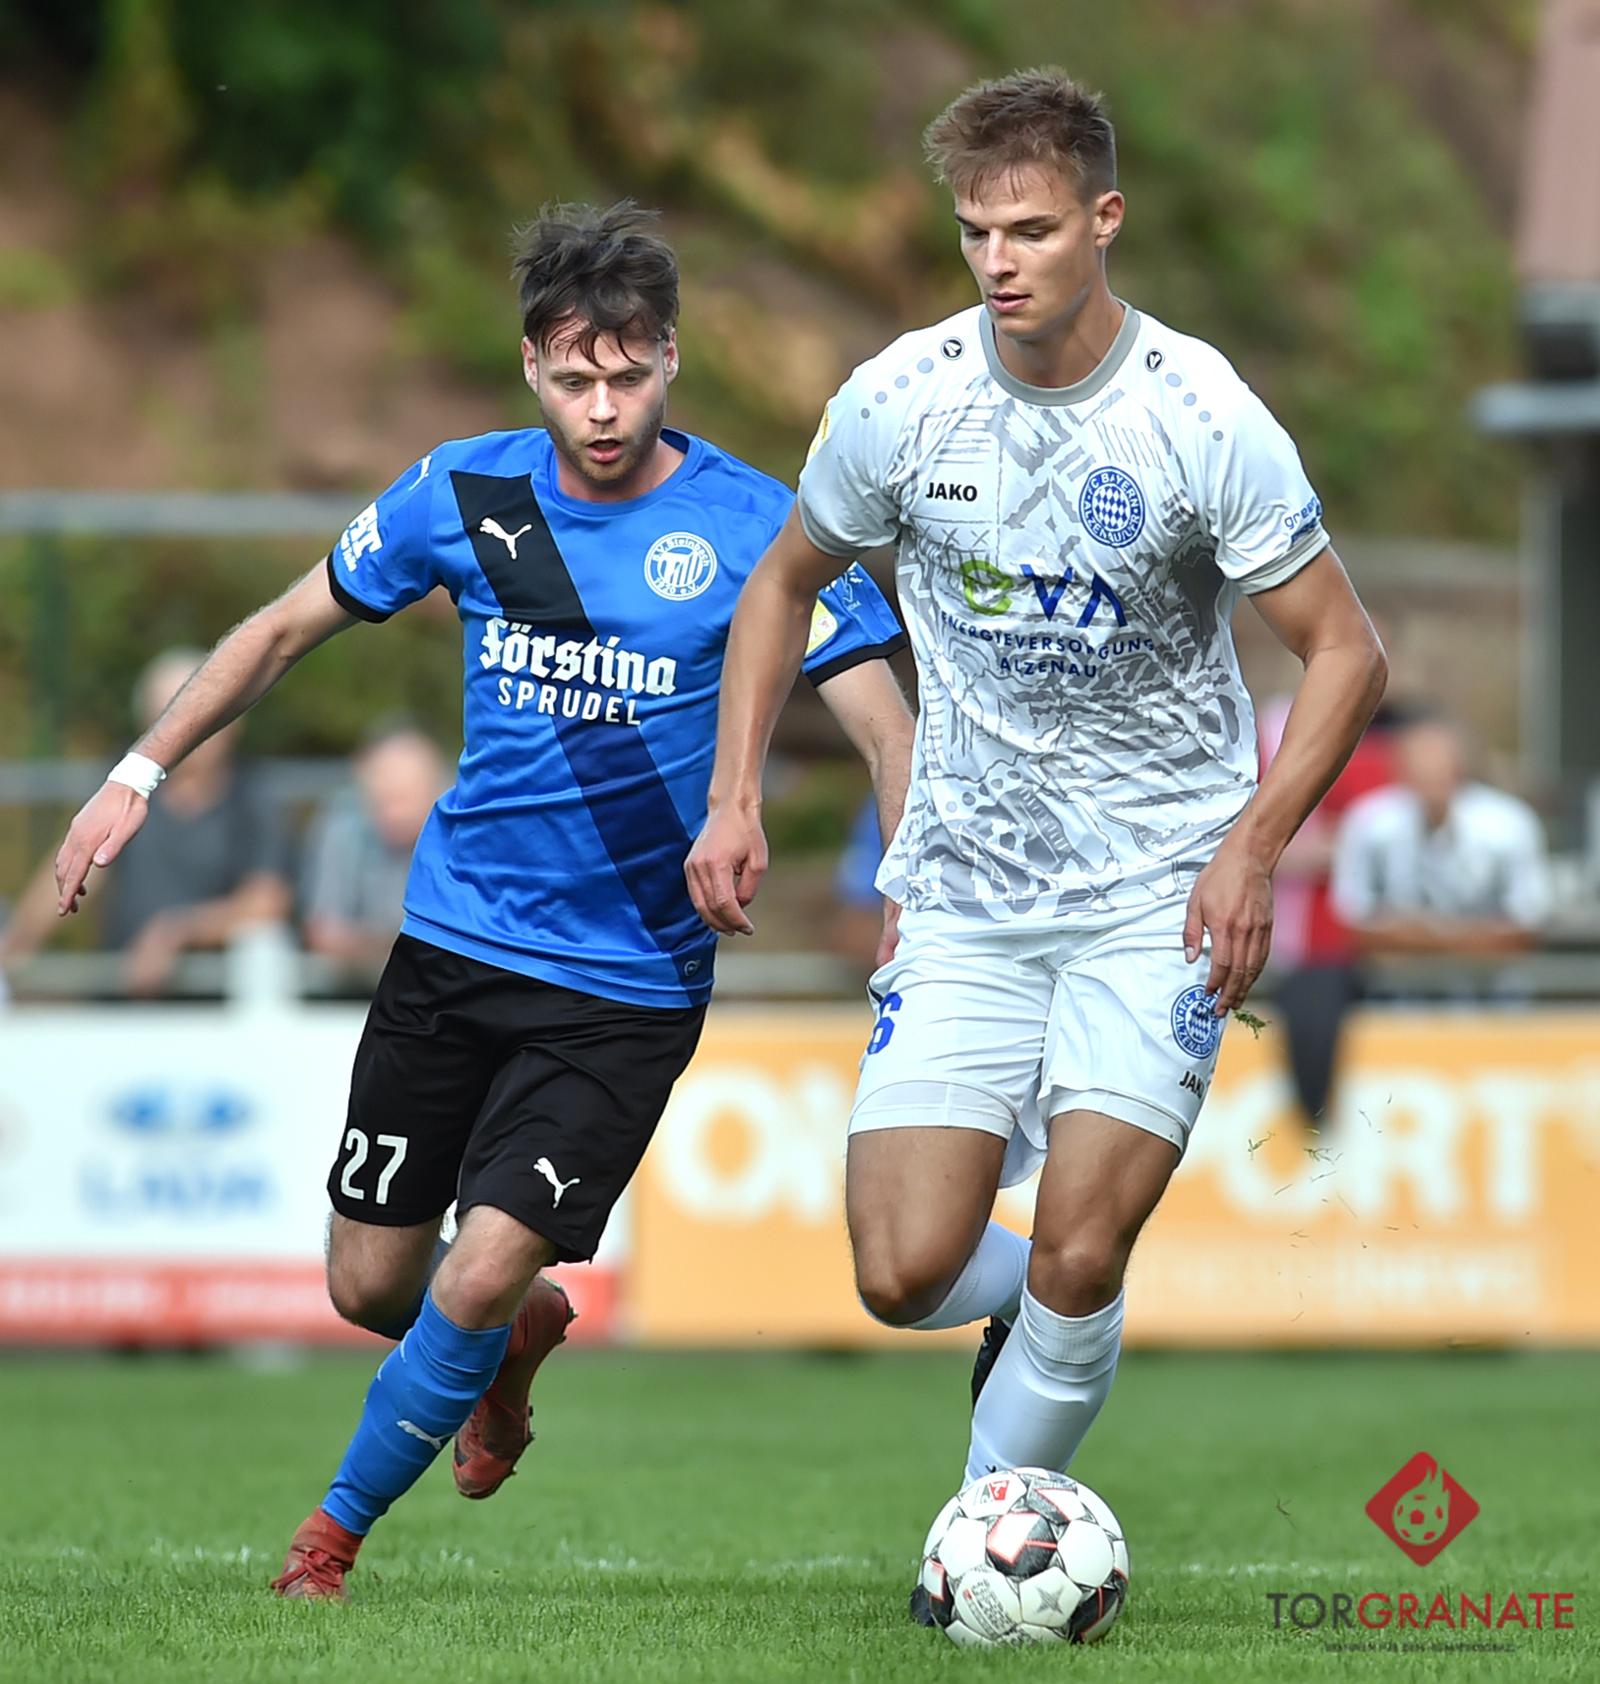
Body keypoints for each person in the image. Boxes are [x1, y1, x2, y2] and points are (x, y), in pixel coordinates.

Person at [52, 201, 912, 1600]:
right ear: (530, 368)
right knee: (370, 1287)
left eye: (626, 376)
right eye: (574, 379)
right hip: (451, 948)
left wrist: (900, 884)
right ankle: (516, 1337)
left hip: (625, 987)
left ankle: (325, 1544)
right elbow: (281, 630)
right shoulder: (468, 496)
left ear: (671, 358)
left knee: (466, 1274)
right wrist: (138, 773)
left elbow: (883, 720)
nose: (603, 409)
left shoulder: (758, 526)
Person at [686, 68, 1386, 1622]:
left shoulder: (1201, 416)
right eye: (974, 233)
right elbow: (782, 581)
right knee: (900, 1271)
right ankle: (1059, 1326)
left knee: (1076, 1244)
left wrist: (1255, 846)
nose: (999, 262)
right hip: (966, 895)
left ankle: (979, 1557)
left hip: (1159, 895)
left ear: (1104, 221)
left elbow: (1347, 651)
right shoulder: (902, 400)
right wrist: (736, 796)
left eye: (1033, 230)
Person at [1, 648, 291, 998]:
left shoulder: (251, 796)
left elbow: (268, 901)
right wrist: (16, 945)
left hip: (217, 1007)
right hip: (124, 998)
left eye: (202, 717)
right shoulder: (123, 790)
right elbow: (77, 868)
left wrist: (181, 932)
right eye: (171, 719)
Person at [1331, 712, 1550, 961]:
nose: (1432, 780)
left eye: (1441, 768)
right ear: (1400, 770)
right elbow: (1354, 920)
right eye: (1421, 769)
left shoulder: (1509, 823)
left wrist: (1427, 938)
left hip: (1489, 978)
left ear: (1461, 768)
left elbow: (1529, 921)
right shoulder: (1369, 820)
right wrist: (1461, 938)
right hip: (1394, 980)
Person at [300, 722, 451, 983]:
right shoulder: (344, 823)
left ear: (437, 789)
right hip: (351, 986)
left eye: (403, 797)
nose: (394, 813)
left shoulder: (461, 835)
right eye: (383, 799)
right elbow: (324, 931)